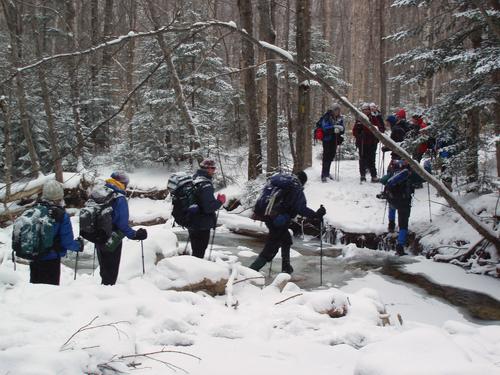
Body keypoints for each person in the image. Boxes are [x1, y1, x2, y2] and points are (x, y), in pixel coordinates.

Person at [249, 171, 326, 274]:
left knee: (286, 239)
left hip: (267, 215)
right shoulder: (295, 188)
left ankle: (286, 267)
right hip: (278, 220)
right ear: (303, 182)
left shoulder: (280, 182)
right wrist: (316, 215)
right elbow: (301, 209)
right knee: (272, 247)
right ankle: (252, 269)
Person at [96, 171, 147, 285]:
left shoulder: (100, 193)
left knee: (104, 271)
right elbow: (122, 225)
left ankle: (102, 292)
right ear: (122, 183)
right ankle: (108, 295)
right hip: (112, 239)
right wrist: (135, 235)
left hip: (98, 237)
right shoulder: (119, 198)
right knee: (111, 273)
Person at [30, 180, 83, 285]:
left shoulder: (34, 210)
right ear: (60, 197)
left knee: (34, 291)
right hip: (51, 259)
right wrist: (78, 245)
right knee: (49, 292)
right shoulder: (61, 215)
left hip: (34, 258)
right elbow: (67, 242)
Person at [187, 159, 226, 259]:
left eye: (214, 168)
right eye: (212, 168)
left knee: (195, 249)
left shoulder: (194, 179)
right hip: (202, 223)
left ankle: (192, 269)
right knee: (199, 251)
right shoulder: (206, 184)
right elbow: (208, 207)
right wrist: (220, 201)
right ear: (207, 168)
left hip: (192, 220)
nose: (214, 170)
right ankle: (196, 272)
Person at [380, 160, 416, 256]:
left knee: (392, 207)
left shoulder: (392, 173)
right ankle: (400, 246)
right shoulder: (409, 173)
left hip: (392, 199)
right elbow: (421, 179)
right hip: (404, 201)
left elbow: (383, 180)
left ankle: (391, 224)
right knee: (403, 224)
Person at [353, 103, 385, 182]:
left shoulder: (373, 118)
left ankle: (373, 176)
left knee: (372, 159)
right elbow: (355, 131)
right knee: (362, 159)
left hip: (372, 142)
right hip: (362, 142)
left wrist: (376, 134)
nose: (366, 111)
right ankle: (362, 175)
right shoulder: (359, 118)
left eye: (367, 109)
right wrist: (359, 135)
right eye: (364, 110)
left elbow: (379, 128)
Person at [314, 103, 345, 182]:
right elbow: (325, 128)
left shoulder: (339, 118)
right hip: (327, 139)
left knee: (331, 156)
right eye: (336, 110)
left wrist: (340, 129)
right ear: (333, 110)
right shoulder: (327, 117)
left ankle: (327, 173)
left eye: (338, 110)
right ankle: (323, 174)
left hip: (334, 140)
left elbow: (342, 129)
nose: (337, 111)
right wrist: (334, 127)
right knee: (326, 157)